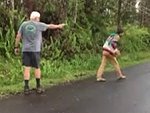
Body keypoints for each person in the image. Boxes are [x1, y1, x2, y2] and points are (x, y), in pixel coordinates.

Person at [14, 11, 65, 94]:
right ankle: (38, 87)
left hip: (26, 49)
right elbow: (50, 26)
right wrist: (59, 26)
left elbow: (18, 36)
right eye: (38, 18)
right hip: (35, 50)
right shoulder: (38, 25)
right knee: (37, 68)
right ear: (36, 18)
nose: (39, 19)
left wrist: (16, 46)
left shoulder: (23, 24)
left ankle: (26, 88)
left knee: (27, 68)